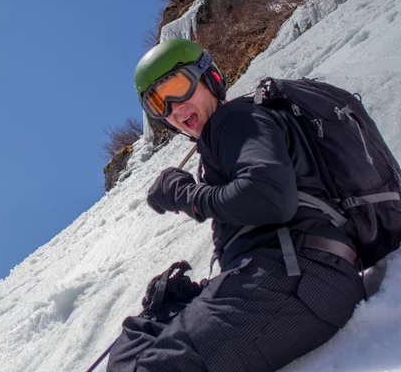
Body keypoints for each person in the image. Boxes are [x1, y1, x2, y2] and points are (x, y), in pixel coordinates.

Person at [106, 38, 366, 372]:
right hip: (292, 277)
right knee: (137, 340)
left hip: (297, 275)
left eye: (178, 87)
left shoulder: (236, 118)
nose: (173, 106)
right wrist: (159, 314)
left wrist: (184, 193)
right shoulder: (227, 136)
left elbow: (269, 198)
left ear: (209, 77)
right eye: (159, 103)